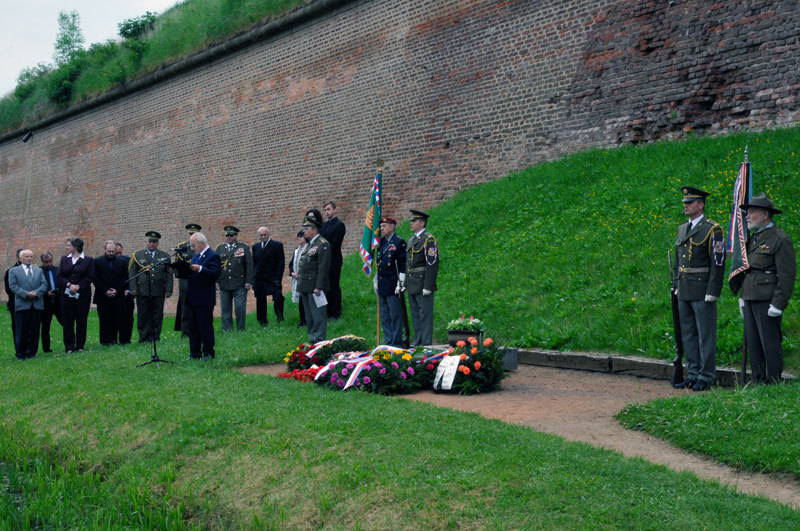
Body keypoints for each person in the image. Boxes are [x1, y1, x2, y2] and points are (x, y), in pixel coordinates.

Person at [732, 193, 796, 384]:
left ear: (766, 214)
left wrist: (778, 303)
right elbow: (748, 269)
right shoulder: (754, 238)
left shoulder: (779, 239)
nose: (747, 216)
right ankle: (758, 381)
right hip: (751, 296)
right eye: (747, 212)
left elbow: (786, 276)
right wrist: (743, 296)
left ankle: (773, 382)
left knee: (770, 344)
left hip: (767, 299)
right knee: (754, 343)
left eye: (752, 212)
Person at [671, 187, 725, 392]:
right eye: (685, 202)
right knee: (688, 334)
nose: (685, 205)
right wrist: (676, 285)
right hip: (684, 288)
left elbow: (718, 262)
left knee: (705, 334)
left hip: (703, 289)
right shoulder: (682, 228)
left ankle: (706, 374)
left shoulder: (713, 229)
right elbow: (678, 260)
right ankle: (692, 373)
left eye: (690, 202)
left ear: (701, 205)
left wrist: (713, 290)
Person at [128, 231, 173, 343]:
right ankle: (143, 337)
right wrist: (133, 288)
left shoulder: (164, 256)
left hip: (158, 290)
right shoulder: (137, 255)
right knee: (143, 315)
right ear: (146, 242)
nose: (152, 244)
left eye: (155, 242)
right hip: (142, 290)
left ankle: (155, 337)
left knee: (157, 316)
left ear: (158, 243)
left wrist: (168, 289)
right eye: (150, 241)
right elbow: (132, 273)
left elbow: (168, 274)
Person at [406, 210, 439, 346]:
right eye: (411, 221)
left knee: (425, 315)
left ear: (422, 223)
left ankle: (425, 344)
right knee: (415, 315)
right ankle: (418, 342)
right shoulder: (412, 240)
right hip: (411, 282)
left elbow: (432, 263)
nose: (411, 223)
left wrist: (428, 285)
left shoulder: (428, 239)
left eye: (414, 221)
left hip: (422, 282)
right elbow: (407, 263)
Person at [186, 232, 221, 359]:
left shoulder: (213, 255)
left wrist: (201, 269)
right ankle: (194, 353)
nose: (192, 248)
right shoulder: (195, 256)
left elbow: (215, 273)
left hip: (205, 298)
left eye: (193, 245)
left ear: (201, 243)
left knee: (204, 327)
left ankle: (208, 353)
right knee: (193, 327)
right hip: (193, 297)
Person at [56, 237, 95, 353]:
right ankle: (69, 346)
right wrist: (69, 285)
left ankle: (80, 345)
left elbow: (90, 276)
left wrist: (79, 286)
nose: (66, 247)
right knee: (68, 320)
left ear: (75, 247)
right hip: (67, 295)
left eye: (68, 245)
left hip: (83, 295)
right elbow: (59, 275)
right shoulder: (64, 259)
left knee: (81, 320)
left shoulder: (88, 260)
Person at [8, 250, 48, 359]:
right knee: (22, 331)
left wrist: (36, 293)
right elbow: (13, 286)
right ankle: (20, 353)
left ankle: (32, 352)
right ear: (20, 259)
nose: (29, 258)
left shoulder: (38, 271)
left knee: (35, 330)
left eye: (31, 256)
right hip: (22, 305)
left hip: (36, 304)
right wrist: (26, 294)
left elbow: (44, 285)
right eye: (27, 257)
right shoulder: (14, 271)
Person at [297, 215, 331, 343]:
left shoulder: (323, 244)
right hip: (306, 287)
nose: (304, 231)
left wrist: (319, 286)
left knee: (318, 316)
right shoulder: (310, 244)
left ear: (314, 229)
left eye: (306, 229)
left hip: (315, 287)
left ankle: (319, 340)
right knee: (309, 316)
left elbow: (323, 268)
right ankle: (312, 339)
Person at [374, 217, 407, 347]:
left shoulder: (399, 242)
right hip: (382, 285)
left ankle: (396, 342)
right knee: (385, 317)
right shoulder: (381, 243)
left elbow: (403, 264)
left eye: (384, 226)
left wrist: (401, 282)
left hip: (393, 285)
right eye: (381, 226)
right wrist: (376, 280)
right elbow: (379, 263)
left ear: (392, 227)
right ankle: (388, 341)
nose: (381, 229)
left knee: (395, 315)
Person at [216, 225, 254, 331]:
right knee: (225, 308)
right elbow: (217, 266)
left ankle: (241, 329)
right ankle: (227, 330)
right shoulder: (220, 248)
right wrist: (216, 281)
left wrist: (249, 281)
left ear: (236, 236)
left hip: (240, 283)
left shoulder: (243, 247)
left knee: (240, 308)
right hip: (224, 283)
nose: (229, 237)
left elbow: (249, 265)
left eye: (231, 235)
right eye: (227, 235)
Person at [93, 240, 128, 346]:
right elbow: (95, 278)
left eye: (113, 251)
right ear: (104, 250)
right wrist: (105, 290)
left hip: (118, 296)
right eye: (109, 251)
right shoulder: (97, 261)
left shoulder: (122, 262)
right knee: (104, 319)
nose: (111, 253)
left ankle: (114, 339)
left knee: (116, 318)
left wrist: (117, 290)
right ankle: (104, 340)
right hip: (102, 295)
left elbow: (125, 278)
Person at [252, 227, 285, 326]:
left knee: (278, 298)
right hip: (259, 278)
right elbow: (254, 263)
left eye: (264, 235)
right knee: (260, 300)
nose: (263, 237)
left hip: (272, 277)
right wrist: (254, 278)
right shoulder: (255, 247)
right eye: (261, 235)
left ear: (268, 234)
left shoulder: (277, 245)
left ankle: (280, 318)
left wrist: (278, 278)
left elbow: (281, 263)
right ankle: (262, 321)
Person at [174, 223, 201, 338]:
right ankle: (185, 332)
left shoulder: (201, 247)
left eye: (194, 234)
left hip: (197, 280)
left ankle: (197, 330)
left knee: (198, 306)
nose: (191, 236)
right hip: (185, 281)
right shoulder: (181, 247)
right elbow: (177, 266)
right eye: (190, 233)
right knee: (185, 307)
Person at [322, 201, 346, 320]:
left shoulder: (339, 225)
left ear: (335, 210)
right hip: (324, 261)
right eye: (325, 210)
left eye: (329, 209)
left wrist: (324, 250)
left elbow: (336, 244)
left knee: (334, 286)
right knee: (326, 286)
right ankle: (327, 311)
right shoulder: (323, 226)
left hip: (334, 260)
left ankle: (336, 312)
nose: (327, 212)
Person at [39, 251, 62, 353]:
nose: (48, 264)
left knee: (65, 322)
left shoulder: (58, 270)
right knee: (45, 327)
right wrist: (45, 293)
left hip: (58, 302)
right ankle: (46, 348)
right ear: (42, 261)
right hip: (45, 303)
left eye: (50, 261)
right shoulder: (38, 271)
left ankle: (70, 343)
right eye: (46, 262)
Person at [115, 242, 135, 344]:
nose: (119, 255)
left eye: (120, 253)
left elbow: (132, 277)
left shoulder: (128, 261)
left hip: (127, 295)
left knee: (128, 319)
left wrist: (128, 290)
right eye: (116, 253)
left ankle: (126, 339)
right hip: (114, 295)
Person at [288, 230, 307, 327]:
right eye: (298, 237)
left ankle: (308, 320)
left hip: (305, 279)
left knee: (306, 301)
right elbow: (291, 264)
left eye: (301, 236)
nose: (299, 238)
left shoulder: (308, 249)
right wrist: (292, 272)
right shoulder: (296, 250)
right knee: (300, 302)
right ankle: (302, 320)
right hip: (297, 278)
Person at [4, 249, 22, 339]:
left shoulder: (32, 271)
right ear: (17, 258)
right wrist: (24, 294)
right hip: (15, 303)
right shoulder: (10, 271)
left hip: (30, 303)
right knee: (17, 326)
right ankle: (18, 347)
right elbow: (9, 289)